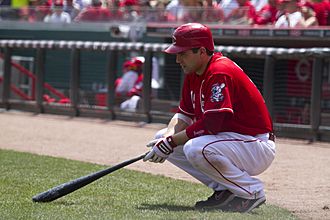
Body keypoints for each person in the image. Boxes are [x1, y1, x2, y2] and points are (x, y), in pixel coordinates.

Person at [143, 23, 276, 213]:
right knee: (161, 137)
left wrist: (172, 141)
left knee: (195, 147)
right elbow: (184, 115)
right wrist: (168, 138)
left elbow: (211, 125)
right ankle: (225, 190)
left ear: (202, 51)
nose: (178, 59)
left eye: (183, 53)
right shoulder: (194, 71)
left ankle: (251, 191)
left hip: (254, 144)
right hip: (231, 141)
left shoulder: (219, 71)